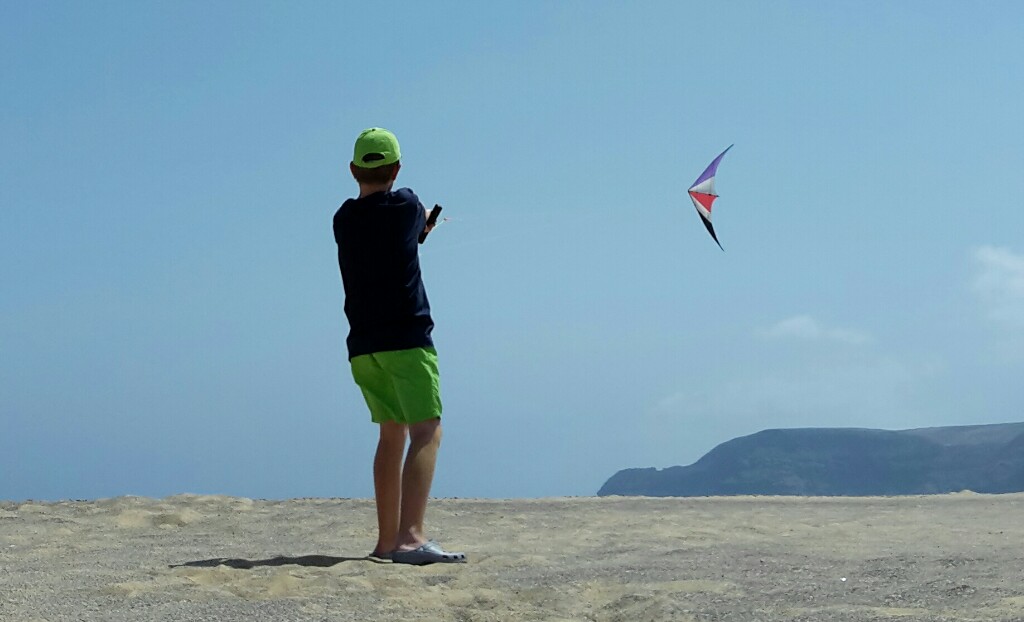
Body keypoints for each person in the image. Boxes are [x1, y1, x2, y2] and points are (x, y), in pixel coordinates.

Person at [332, 128, 466, 565]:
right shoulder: (408, 205)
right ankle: (410, 537)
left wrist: (414, 232)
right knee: (427, 429)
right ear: (397, 168)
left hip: (363, 345)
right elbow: (409, 213)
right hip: (406, 338)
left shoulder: (343, 219)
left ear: (354, 170)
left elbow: (384, 226)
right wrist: (423, 228)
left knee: (391, 434)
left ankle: (386, 542)